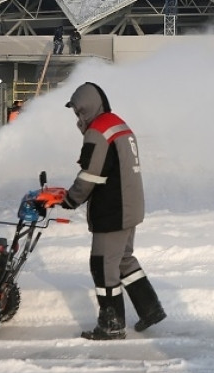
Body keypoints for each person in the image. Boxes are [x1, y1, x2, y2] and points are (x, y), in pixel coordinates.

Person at [59, 82, 166, 340]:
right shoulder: (119, 124)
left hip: (113, 210)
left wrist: (70, 199)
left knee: (102, 265)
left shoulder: (98, 131)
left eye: (78, 112)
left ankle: (112, 325)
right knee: (123, 259)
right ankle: (150, 309)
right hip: (130, 206)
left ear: (87, 108)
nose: (78, 118)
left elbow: (90, 175)